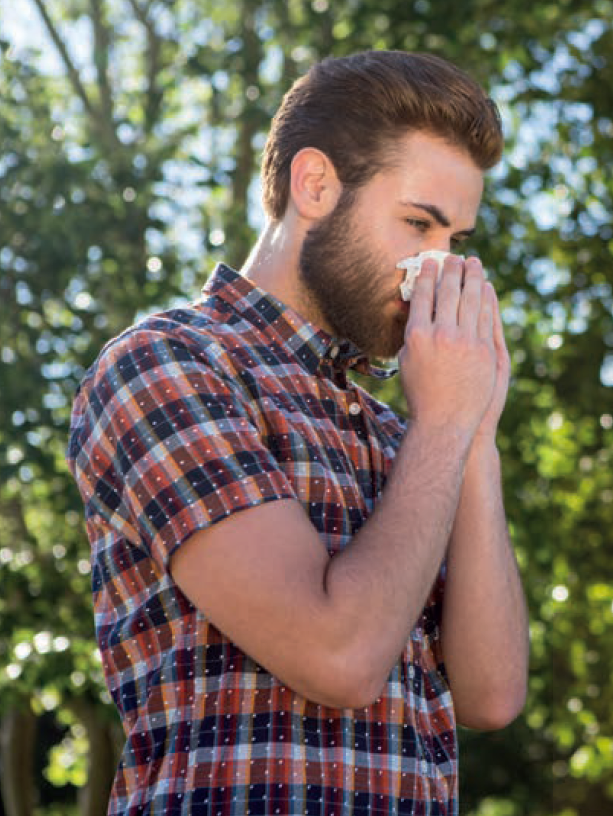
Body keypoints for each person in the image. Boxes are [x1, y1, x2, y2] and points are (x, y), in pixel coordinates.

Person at [67, 50, 529, 816]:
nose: (436, 269)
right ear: (313, 185)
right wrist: (443, 423)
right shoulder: (171, 365)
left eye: (454, 239)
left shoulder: (402, 435)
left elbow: (490, 692)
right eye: (417, 223)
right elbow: (337, 656)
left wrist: (471, 432)